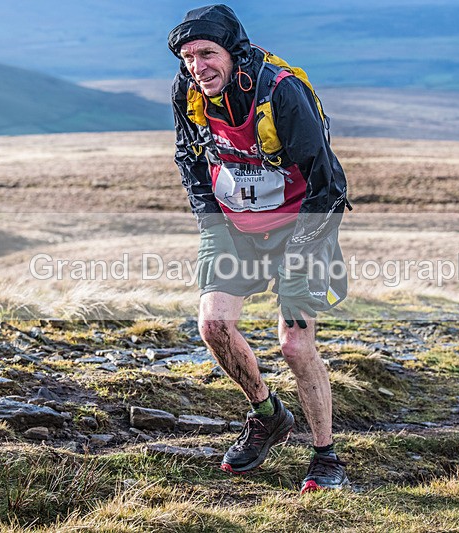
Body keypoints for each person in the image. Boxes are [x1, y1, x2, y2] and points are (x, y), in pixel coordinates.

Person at [168, 4, 351, 493]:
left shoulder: (281, 93)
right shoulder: (188, 93)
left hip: (299, 226)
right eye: (188, 57)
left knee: (294, 345)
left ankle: (326, 456)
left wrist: (303, 248)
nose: (197, 67)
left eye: (207, 53)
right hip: (233, 228)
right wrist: (211, 221)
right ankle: (267, 415)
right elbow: (190, 158)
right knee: (213, 326)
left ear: (234, 52)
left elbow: (329, 184)